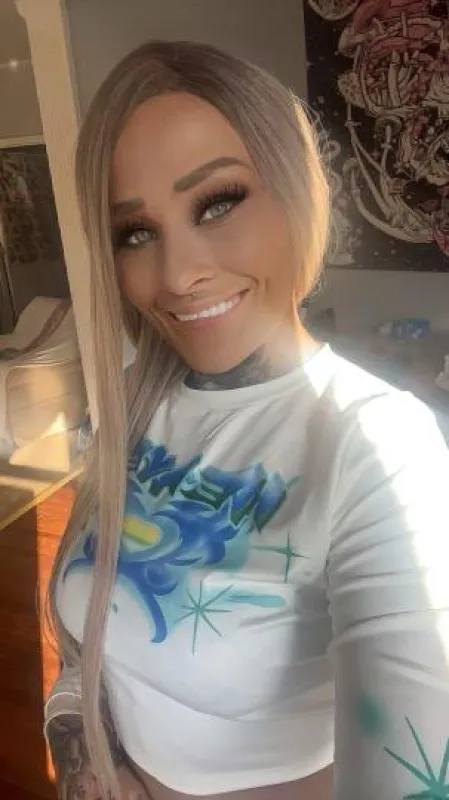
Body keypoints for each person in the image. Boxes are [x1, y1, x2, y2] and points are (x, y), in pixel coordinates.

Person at [44, 40, 449, 800]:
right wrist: (77, 748)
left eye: (218, 202)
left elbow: (411, 764)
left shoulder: (376, 443)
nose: (178, 274)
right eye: (136, 233)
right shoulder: (134, 402)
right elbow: (87, 639)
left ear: (296, 193)